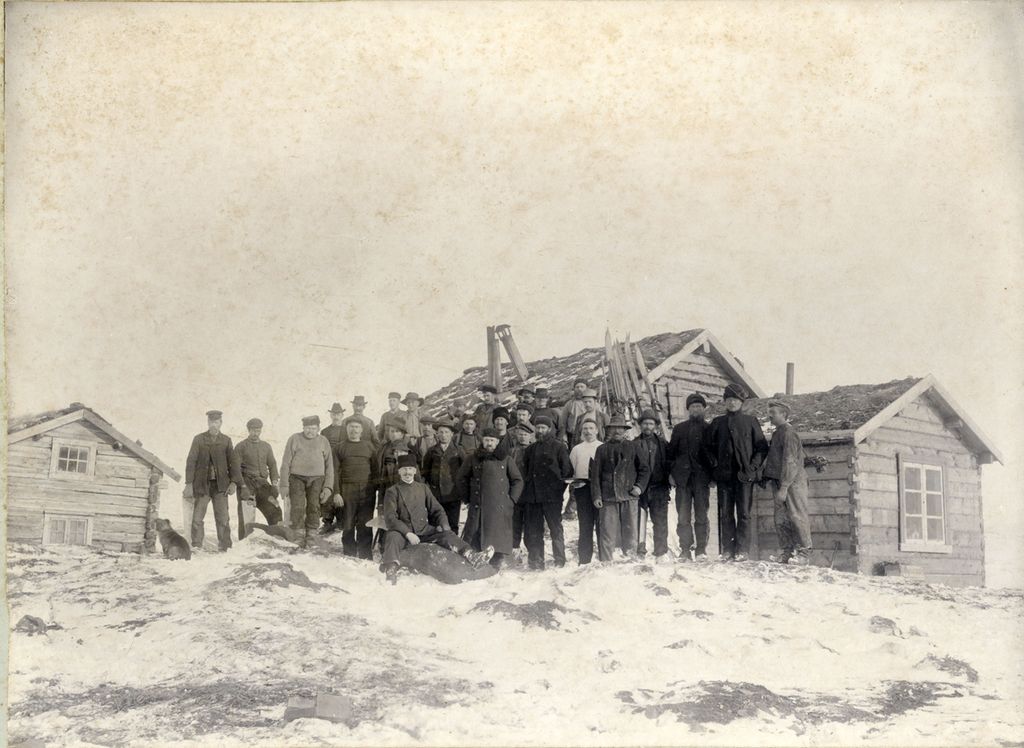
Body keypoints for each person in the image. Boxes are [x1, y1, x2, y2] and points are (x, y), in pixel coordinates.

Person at [379, 455, 491, 585]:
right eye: (404, 469)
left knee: (447, 535)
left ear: (415, 471)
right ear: (399, 472)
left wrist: (444, 525)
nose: (407, 473)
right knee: (392, 536)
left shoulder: (423, 488)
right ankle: (391, 570)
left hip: (424, 530)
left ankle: (471, 555)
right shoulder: (392, 491)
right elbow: (390, 518)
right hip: (403, 532)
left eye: (410, 469)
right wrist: (408, 533)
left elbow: (437, 510)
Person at [705, 383, 769, 562]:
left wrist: (752, 467)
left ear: (742, 402)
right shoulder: (718, 423)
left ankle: (742, 551)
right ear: (725, 402)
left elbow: (762, 448)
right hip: (724, 477)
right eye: (729, 400)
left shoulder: (750, 422)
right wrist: (715, 466)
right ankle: (727, 550)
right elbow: (707, 448)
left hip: (744, 477)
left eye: (736, 400)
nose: (732, 403)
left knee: (744, 514)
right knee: (725, 514)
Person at [455, 427, 524, 569]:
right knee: (474, 533)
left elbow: (518, 480)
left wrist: (511, 500)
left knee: (497, 535)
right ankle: (474, 559)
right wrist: (468, 497)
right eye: (487, 440)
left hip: (499, 506)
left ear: (497, 442)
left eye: (492, 441)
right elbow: (462, 478)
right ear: (482, 441)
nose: (489, 443)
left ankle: (496, 561)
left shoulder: (506, 459)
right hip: (478, 504)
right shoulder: (473, 458)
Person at [590, 414, 650, 560]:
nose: (617, 431)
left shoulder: (634, 447)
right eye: (613, 428)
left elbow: (645, 469)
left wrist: (639, 487)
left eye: (620, 428)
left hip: (629, 495)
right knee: (607, 533)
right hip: (608, 496)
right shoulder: (601, 449)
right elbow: (595, 475)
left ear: (625, 430)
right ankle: (606, 563)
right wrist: (597, 496)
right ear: (609, 431)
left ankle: (630, 562)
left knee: (630, 534)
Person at [763, 400, 813, 565]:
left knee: (797, 515)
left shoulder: (789, 433)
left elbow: (791, 461)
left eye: (773, 413)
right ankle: (787, 552)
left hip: (792, 482)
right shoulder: (778, 433)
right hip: (779, 481)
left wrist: (784, 487)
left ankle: (804, 554)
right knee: (781, 518)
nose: (769, 415)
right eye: (769, 412)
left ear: (784, 414)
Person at [184, 410, 241, 552]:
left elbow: (233, 463)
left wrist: (234, 482)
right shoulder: (199, 439)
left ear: (220, 423)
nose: (213, 425)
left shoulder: (226, 440)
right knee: (197, 519)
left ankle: (225, 547)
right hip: (202, 486)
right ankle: (197, 546)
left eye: (216, 422)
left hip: (221, 487)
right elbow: (191, 461)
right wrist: (189, 484)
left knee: (223, 519)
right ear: (207, 423)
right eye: (211, 422)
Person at [521, 416, 573, 570]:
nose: (540, 430)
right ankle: (536, 561)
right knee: (534, 530)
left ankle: (559, 560)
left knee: (555, 529)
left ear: (549, 429)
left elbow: (567, 472)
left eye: (543, 428)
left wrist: (558, 491)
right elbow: (525, 473)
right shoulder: (530, 449)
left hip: (552, 497)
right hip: (533, 496)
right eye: (538, 427)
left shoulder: (559, 447)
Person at [667, 393, 713, 562]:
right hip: (683, 480)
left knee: (701, 515)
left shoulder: (709, 429)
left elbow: (714, 455)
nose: (696, 409)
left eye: (699, 406)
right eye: (693, 406)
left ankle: (701, 550)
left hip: (701, 480)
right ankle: (685, 550)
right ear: (688, 409)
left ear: (703, 409)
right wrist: (671, 474)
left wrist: (712, 476)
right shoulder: (679, 429)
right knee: (683, 516)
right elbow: (670, 454)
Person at [279, 415, 336, 549]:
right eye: (307, 428)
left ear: (318, 428)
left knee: (314, 506)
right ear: (303, 428)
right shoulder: (294, 439)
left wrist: (328, 487)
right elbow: (285, 463)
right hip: (296, 477)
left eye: (313, 428)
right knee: (297, 506)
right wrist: (284, 484)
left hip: (317, 478)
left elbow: (329, 466)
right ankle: (298, 536)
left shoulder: (323, 441)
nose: (310, 431)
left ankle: (311, 537)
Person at [333, 419, 379, 558]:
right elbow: (334, 472)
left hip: (367, 490)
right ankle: (349, 554)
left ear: (362, 430)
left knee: (365, 523)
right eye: (351, 427)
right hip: (347, 489)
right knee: (348, 523)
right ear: (346, 429)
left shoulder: (369, 447)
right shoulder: (339, 448)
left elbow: (375, 470)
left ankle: (365, 555)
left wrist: (375, 490)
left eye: (357, 427)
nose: (354, 430)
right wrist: (336, 492)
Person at [233, 417, 282, 539]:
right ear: (248, 430)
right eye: (253, 430)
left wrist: (275, 484)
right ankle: (244, 544)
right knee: (247, 517)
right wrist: (243, 486)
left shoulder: (266, 446)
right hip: (247, 485)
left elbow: (272, 465)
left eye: (258, 430)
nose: (256, 433)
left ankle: (277, 540)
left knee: (276, 511)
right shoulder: (241, 446)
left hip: (263, 485)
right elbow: (235, 468)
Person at [634, 410, 671, 561]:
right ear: (640, 425)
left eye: (651, 423)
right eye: (645, 423)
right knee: (639, 521)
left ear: (655, 425)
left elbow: (670, 463)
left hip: (659, 487)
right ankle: (640, 551)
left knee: (660, 521)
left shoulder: (663, 444)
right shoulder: (634, 444)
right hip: (640, 489)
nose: (648, 426)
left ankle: (660, 552)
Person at [422, 417, 466, 533]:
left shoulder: (458, 450)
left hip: (453, 494)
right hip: (435, 494)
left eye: (446, 432)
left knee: (452, 524)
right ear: (437, 433)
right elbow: (425, 472)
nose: (443, 435)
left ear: (452, 434)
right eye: (441, 432)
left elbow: (465, 472)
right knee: (435, 523)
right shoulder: (432, 451)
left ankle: (454, 549)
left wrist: (461, 489)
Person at [568, 418, 603, 564]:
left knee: (601, 526)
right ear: (582, 432)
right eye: (585, 429)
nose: (588, 431)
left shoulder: (602, 447)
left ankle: (604, 558)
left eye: (591, 428)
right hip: (582, 488)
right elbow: (572, 469)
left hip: (600, 490)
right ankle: (584, 560)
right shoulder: (577, 449)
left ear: (597, 431)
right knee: (585, 525)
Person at [319, 403, 349, 534]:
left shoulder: (347, 430)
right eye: (334, 414)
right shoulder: (324, 431)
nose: (336, 416)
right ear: (331, 415)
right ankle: (327, 521)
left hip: (343, 464)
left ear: (342, 415)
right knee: (328, 490)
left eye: (338, 414)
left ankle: (341, 520)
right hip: (329, 465)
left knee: (342, 490)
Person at [508, 423, 535, 554]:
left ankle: (531, 551)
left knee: (530, 524)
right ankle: (514, 550)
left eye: (525, 435)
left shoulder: (534, 450)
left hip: (530, 492)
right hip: (516, 492)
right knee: (515, 522)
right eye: (520, 434)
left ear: (530, 436)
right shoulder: (512, 451)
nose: (523, 437)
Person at [560, 378, 591, 446]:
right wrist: (564, 438)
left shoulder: (594, 404)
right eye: (577, 387)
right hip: (573, 438)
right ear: (574, 389)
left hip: (590, 436)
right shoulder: (569, 404)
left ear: (587, 388)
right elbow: (563, 423)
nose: (579, 389)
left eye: (582, 387)